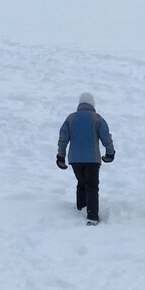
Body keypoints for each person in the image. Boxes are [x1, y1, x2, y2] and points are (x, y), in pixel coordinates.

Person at [57, 92, 115, 225]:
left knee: (81, 182)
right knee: (92, 186)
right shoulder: (97, 118)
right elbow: (106, 137)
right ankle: (92, 216)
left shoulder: (71, 118)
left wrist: (61, 156)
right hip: (92, 159)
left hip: (75, 159)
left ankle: (81, 208)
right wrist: (110, 153)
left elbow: (63, 138)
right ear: (92, 103)